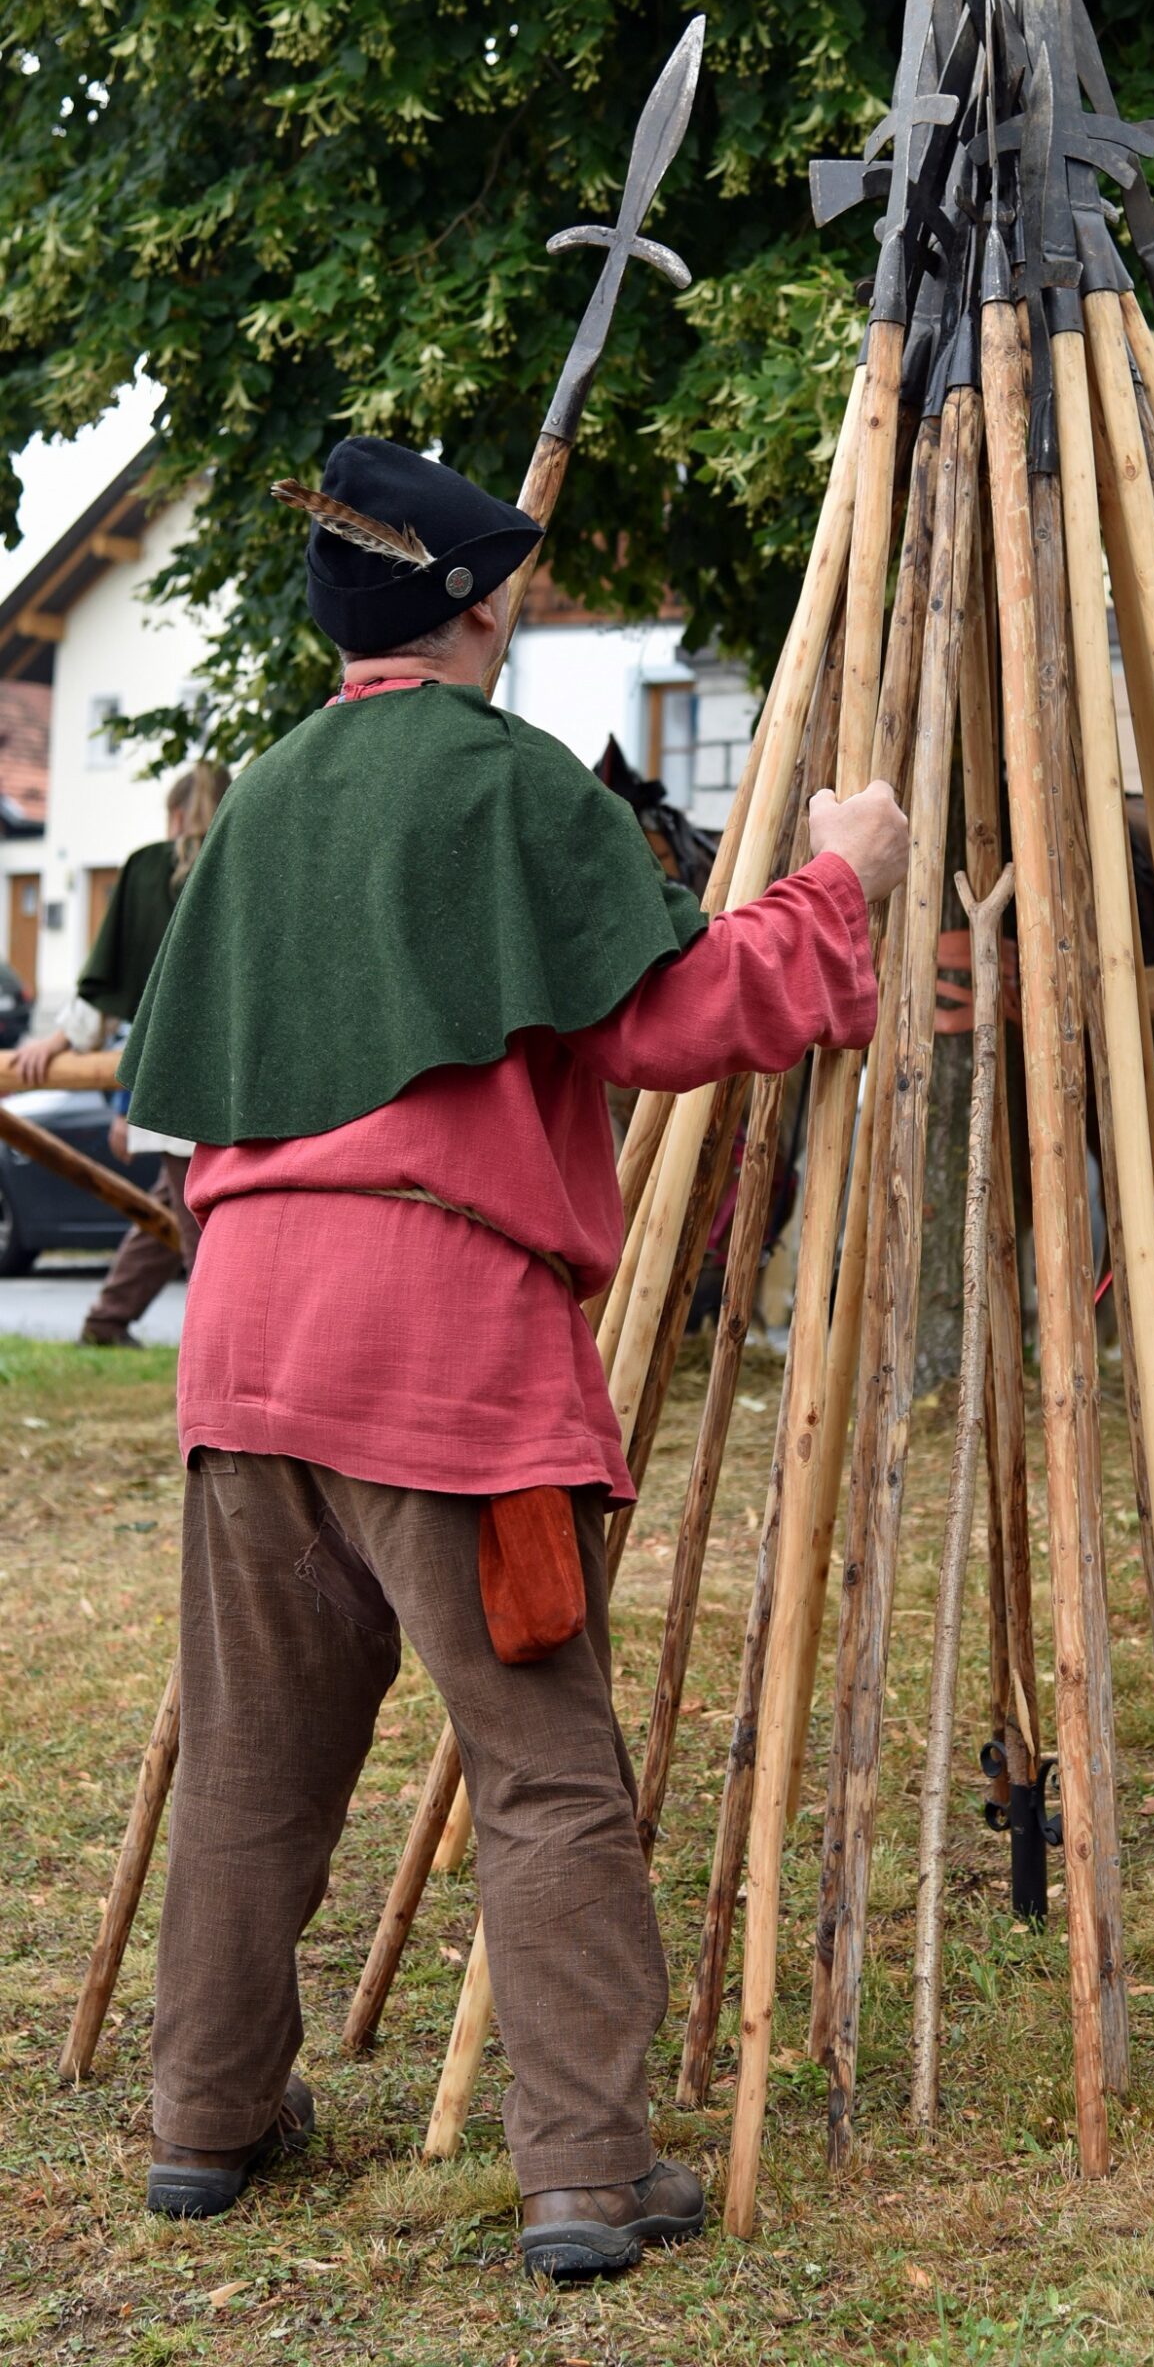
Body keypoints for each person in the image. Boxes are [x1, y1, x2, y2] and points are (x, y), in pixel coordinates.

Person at [119, 436, 908, 2283]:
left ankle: (204, 2128)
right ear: (481, 606)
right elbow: (680, 1021)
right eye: (515, 586)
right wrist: (838, 881)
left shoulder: (257, 802)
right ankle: (581, 2177)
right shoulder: (504, 781)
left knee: (247, 1763)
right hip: (443, 1348)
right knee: (545, 1771)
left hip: (243, 1346)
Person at [15, 763, 229, 1343]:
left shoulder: (148, 868)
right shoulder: (244, 861)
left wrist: (63, 1042)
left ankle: (122, 1327)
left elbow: (116, 977)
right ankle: (137, 1330)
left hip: (172, 1080)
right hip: (237, 1077)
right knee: (198, 1223)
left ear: (178, 813)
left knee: (192, 1221)